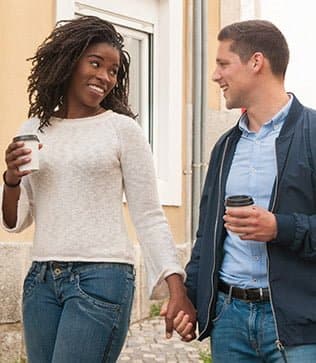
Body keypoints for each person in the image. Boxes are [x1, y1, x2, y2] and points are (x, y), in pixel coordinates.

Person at [1, 16, 195, 363]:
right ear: (69, 61)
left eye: (113, 70)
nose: (105, 77)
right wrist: (11, 180)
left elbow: (149, 215)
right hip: (41, 280)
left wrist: (175, 286)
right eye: (96, 63)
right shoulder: (32, 130)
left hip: (102, 278)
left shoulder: (122, 130)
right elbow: (16, 221)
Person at [172, 20, 316, 362]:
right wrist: (192, 300)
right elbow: (206, 236)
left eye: (223, 64)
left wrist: (279, 228)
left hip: (298, 326)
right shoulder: (225, 147)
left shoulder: (312, 135)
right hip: (229, 321)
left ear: (256, 62)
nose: (215, 75)